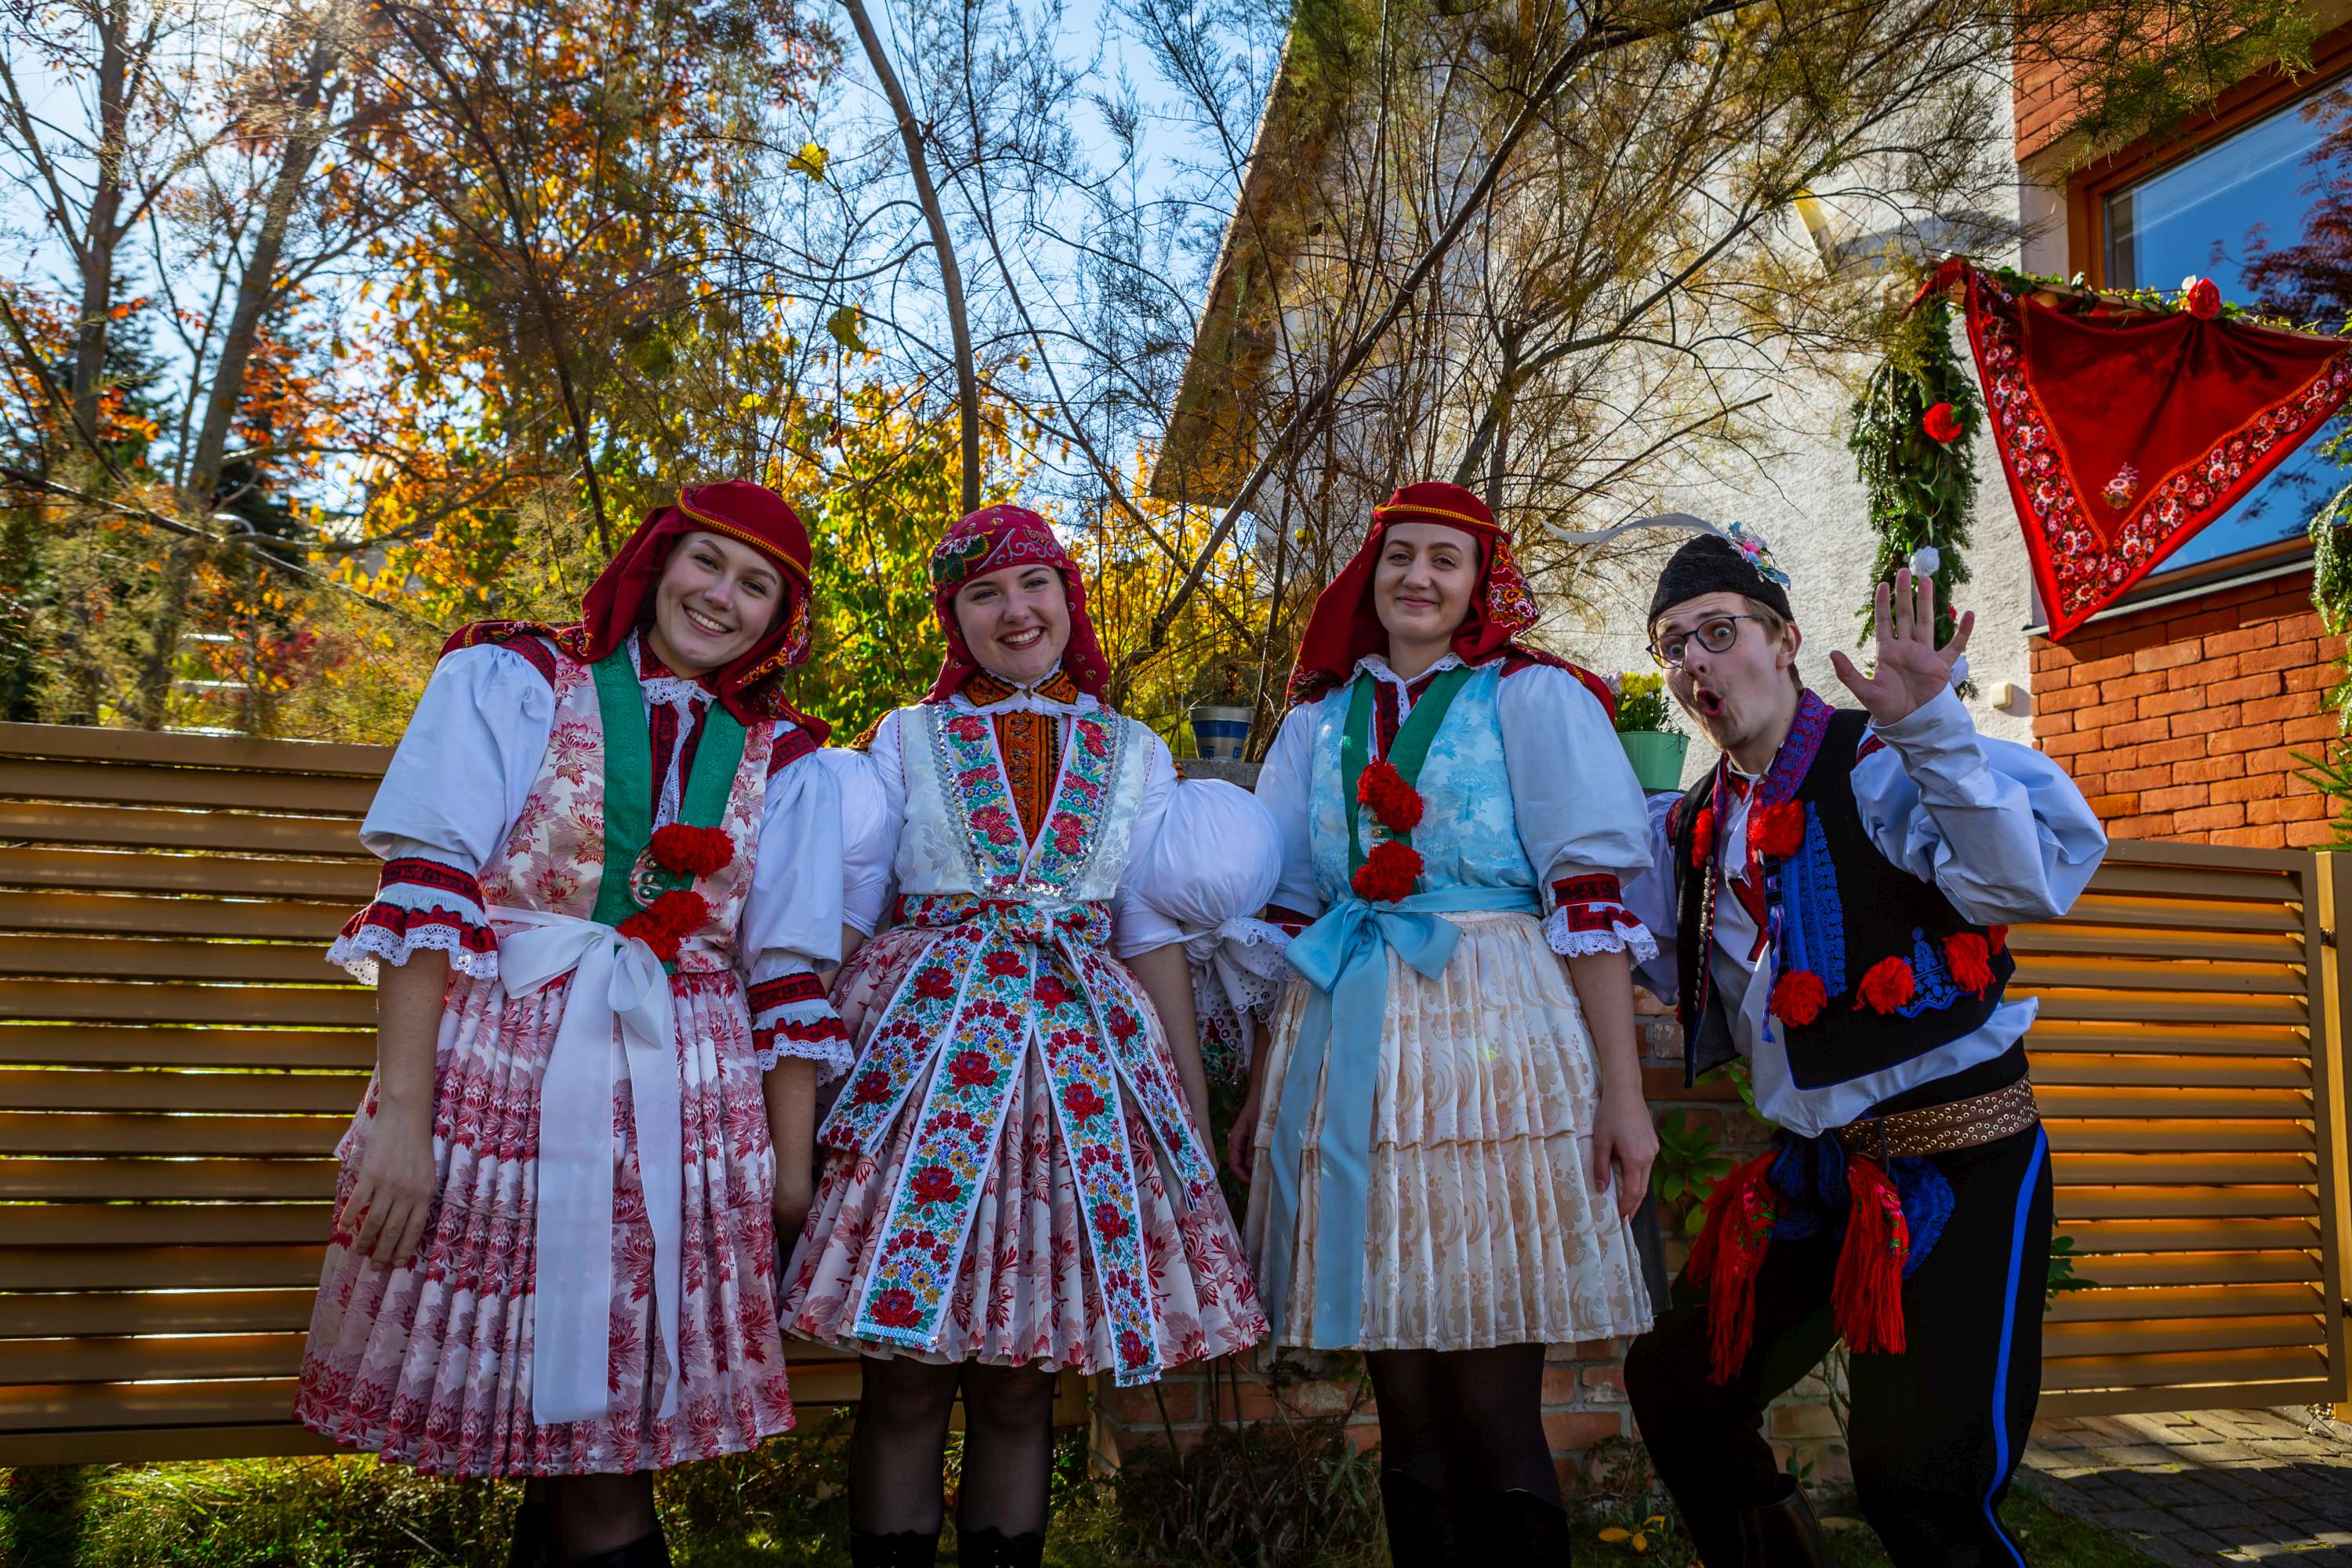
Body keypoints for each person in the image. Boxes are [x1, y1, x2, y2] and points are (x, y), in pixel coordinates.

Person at [295, 482, 853, 1568]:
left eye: (757, 586)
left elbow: (785, 971)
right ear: (657, 562)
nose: (722, 597)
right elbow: (428, 889)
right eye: (706, 562)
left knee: (605, 1439)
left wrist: (788, 1178)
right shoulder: (516, 679)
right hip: (503, 1086)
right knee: (569, 1438)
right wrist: (402, 1121)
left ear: (779, 619)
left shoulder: (788, 761)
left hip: (686, 1109)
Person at [778, 504, 1267, 1568]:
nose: (1015, 611)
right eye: (984, 593)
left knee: (1020, 1381)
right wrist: (792, 1074)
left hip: (1074, 1084)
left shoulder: (1134, 752)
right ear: (955, 619)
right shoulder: (904, 740)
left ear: (1067, 598)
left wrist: (1186, 1115)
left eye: (1034, 584)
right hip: (921, 1075)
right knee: (904, 1379)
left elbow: (1148, 936)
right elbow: (848, 917)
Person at [1620, 529, 2107, 1566]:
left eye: (1719, 632)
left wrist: (1931, 727)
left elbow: (2021, 883)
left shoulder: (1885, 763)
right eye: (1673, 646)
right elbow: (1629, 942)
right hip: (1821, 1176)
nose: (1696, 661)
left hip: (1965, 1158)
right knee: (1677, 1383)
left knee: (1916, 1484)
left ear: (1786, 639)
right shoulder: (1693, 828)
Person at [1236, 480, 1660, 1563]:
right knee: (1407, 1411)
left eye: (1445, 559)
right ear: (1369, 577)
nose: (1418, 578)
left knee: (1490, 1405)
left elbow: (1590, 904)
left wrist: (1623, 1099)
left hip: (1496, 1051)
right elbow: (1284, 919)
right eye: (1399, 557)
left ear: (1482, 583)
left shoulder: (1531, 699)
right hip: (1350, 1053)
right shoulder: (1316, 723)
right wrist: (1261, 1097)